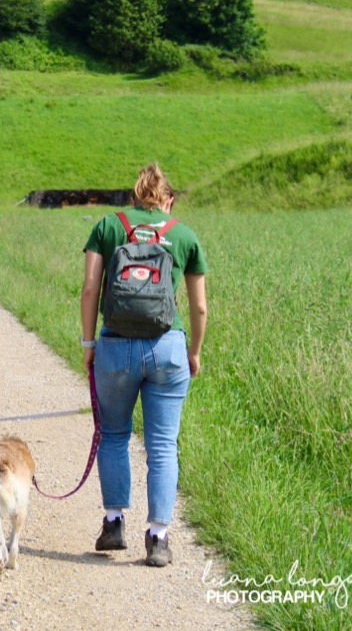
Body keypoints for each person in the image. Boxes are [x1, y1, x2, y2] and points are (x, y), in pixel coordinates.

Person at [80, 164, 207, 568]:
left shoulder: (108, 226)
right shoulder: (184, 235)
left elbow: (90, 289)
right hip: (168, 347)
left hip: (115, 346)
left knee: (114, 434)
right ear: (169, 200)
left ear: (134, 197)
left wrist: (88, 344)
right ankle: (158, 538)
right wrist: (194, 352)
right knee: (163, 444)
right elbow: (199, 307)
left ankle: (114, 523)